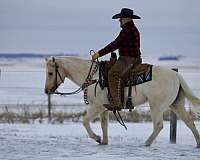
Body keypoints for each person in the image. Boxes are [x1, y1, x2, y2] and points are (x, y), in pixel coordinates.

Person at [92, 8, 142, 111]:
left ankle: (117, 103)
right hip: (128, 58)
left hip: (129, 59)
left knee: (113, 74)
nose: (119, 20)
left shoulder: (127, 30)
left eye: (121, 18)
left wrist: (99, 53)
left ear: (127, 19)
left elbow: (115, 44)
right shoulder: (130, 29)